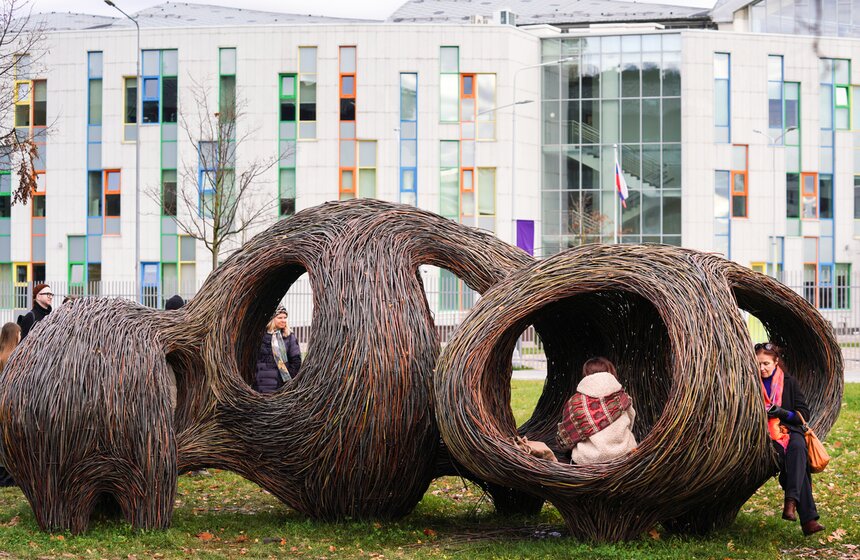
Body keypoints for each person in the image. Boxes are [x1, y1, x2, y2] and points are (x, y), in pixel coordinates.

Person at [756, 342, 824, 536]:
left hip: (789, 429)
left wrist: (783, 413)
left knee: (797, 445)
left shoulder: (789, 382)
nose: (762, 368)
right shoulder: (750, 382)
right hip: (765, 435)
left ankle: (792, 502)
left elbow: (804, 413)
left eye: (766, 363)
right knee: (798, 464)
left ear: (776, 361)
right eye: (758, 364)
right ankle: (805, 516)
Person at [556, 356, 637, 465]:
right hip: (624, 455)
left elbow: (568, 436)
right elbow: (631, 421)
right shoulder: (622, 397)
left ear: (585, 375)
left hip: (588, 459)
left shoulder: (575, 402)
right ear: (611, 372)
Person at [254, 306, 301, 393]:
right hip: (261, 383)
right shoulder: (261, 337)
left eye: (285, 317)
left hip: (281, 384)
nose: (283, 320)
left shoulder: (289, 337)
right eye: (280, 318)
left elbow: (296, 361)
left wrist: (287, 378)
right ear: (272, 319)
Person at [0, 321, 21, 487]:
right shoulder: (14, 357)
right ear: (15, 335)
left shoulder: (1, 356)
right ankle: (9, 477)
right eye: (19, 333)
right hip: (11, 404)